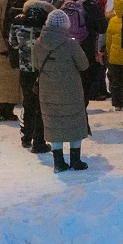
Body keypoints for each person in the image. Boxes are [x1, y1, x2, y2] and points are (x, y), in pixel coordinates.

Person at [34, 9, 91, 171]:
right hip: (70, 89)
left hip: (48, 90)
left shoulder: (38, 43)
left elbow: (36, 64)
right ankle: (75, 160)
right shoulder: (71, 44)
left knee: (54, 123)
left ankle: (58, 161)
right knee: (74, 121)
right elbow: (84, 65)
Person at [12, 0, 55, 152]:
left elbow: (13, 43)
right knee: (41, 104)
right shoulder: (48, 22)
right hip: (42, 68)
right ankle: (39, 142)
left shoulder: (18, 21)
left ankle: (26, 136)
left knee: (28, 102)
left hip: (25, 68)